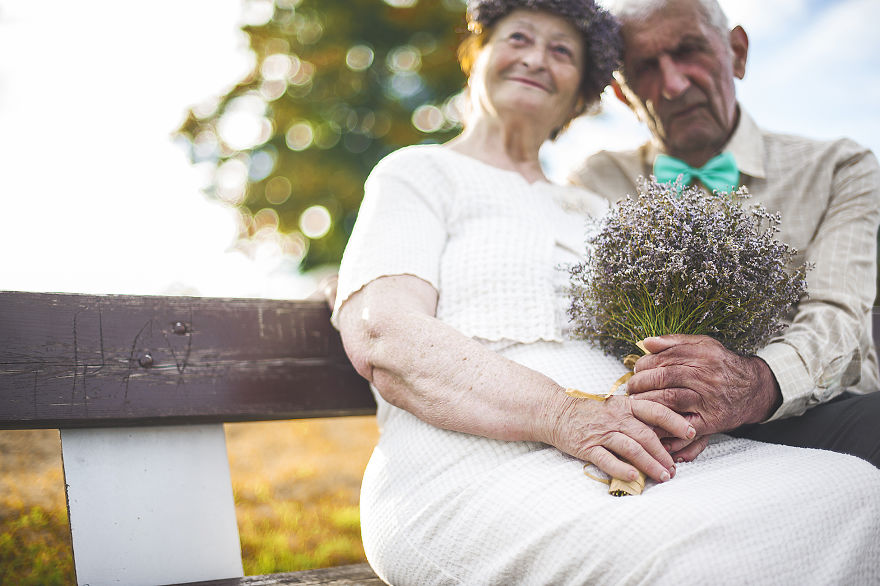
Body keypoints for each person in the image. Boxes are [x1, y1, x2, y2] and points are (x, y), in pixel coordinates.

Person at [331, 1, 880, 583]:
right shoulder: (416, 171)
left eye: (562, 50)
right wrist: (565, 414)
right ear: (475, 56)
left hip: (642, 443)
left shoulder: (598, 207)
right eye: (518, 37)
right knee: (700, 560)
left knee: (857, 494)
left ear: (584, 95)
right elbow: (383, 330)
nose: (537, 58)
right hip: (477, 451)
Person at [570, 0, 880, 466]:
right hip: (641, 420)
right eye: (646, 68)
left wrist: (753, 385)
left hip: (810, 414)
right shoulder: (596, 183)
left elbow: (840, 317)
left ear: (737, 52)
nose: (673, 84)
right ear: (622, 94)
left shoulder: (840, 168)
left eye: (690, 51)